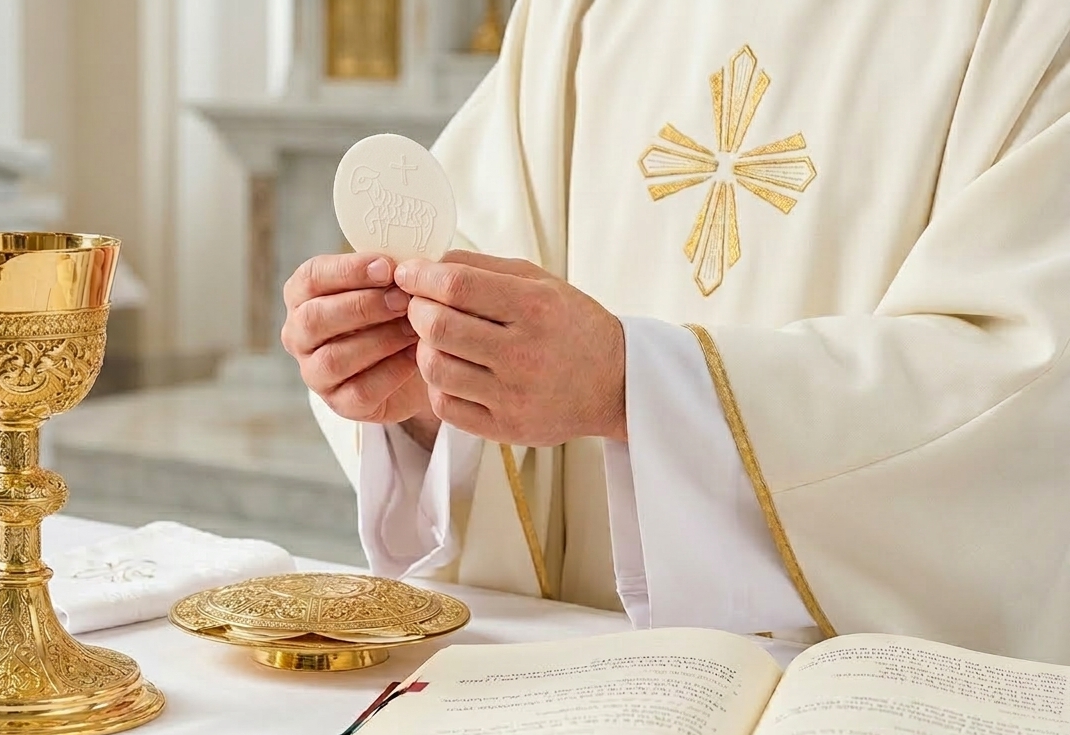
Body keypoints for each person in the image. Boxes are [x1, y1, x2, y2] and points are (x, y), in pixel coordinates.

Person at [281, 0, 1070, 663]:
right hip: (568, 693)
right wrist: (437, 381)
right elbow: (476, 257)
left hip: (845, 711)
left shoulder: (1026, 25)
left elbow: (1023, 383)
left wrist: (633, 386)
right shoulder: (574, 14)